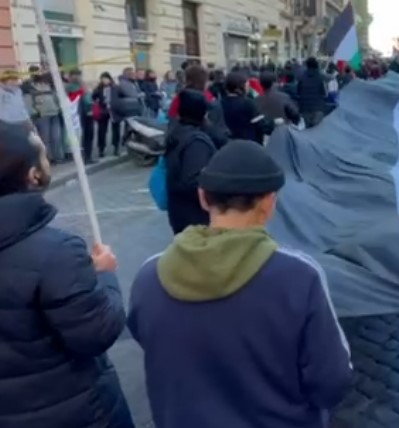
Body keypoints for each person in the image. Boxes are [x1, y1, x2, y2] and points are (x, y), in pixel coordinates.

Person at [128, 141, 354, 427]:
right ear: (269, 203)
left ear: (202, 197)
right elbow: (332, 380)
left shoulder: (148, 277)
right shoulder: (300, 277)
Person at [0, 122, 133, 427]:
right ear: (33, 174)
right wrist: (105, 276)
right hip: (75, 411)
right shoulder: (57, 252)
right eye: (43, 155)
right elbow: (98, 332)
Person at [165, 90, 218, 234]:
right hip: (195, 216)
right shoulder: (196, 142)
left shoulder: (178, 132)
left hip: (180, 212)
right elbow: (194, 182)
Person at [221, 71, 265, 143]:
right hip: (248, 143)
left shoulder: (219, 103)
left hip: (227, 144)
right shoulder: (248, 103)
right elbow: (260, 125)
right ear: (241, 87)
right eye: (247, 85)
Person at [296, 57, 329, 127]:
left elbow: (298, 93)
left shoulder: (301, 77)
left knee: (308, 130)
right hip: (318, 108)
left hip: (305, 109)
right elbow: (325, 94)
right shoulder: (321, 77)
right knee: (317, 131)